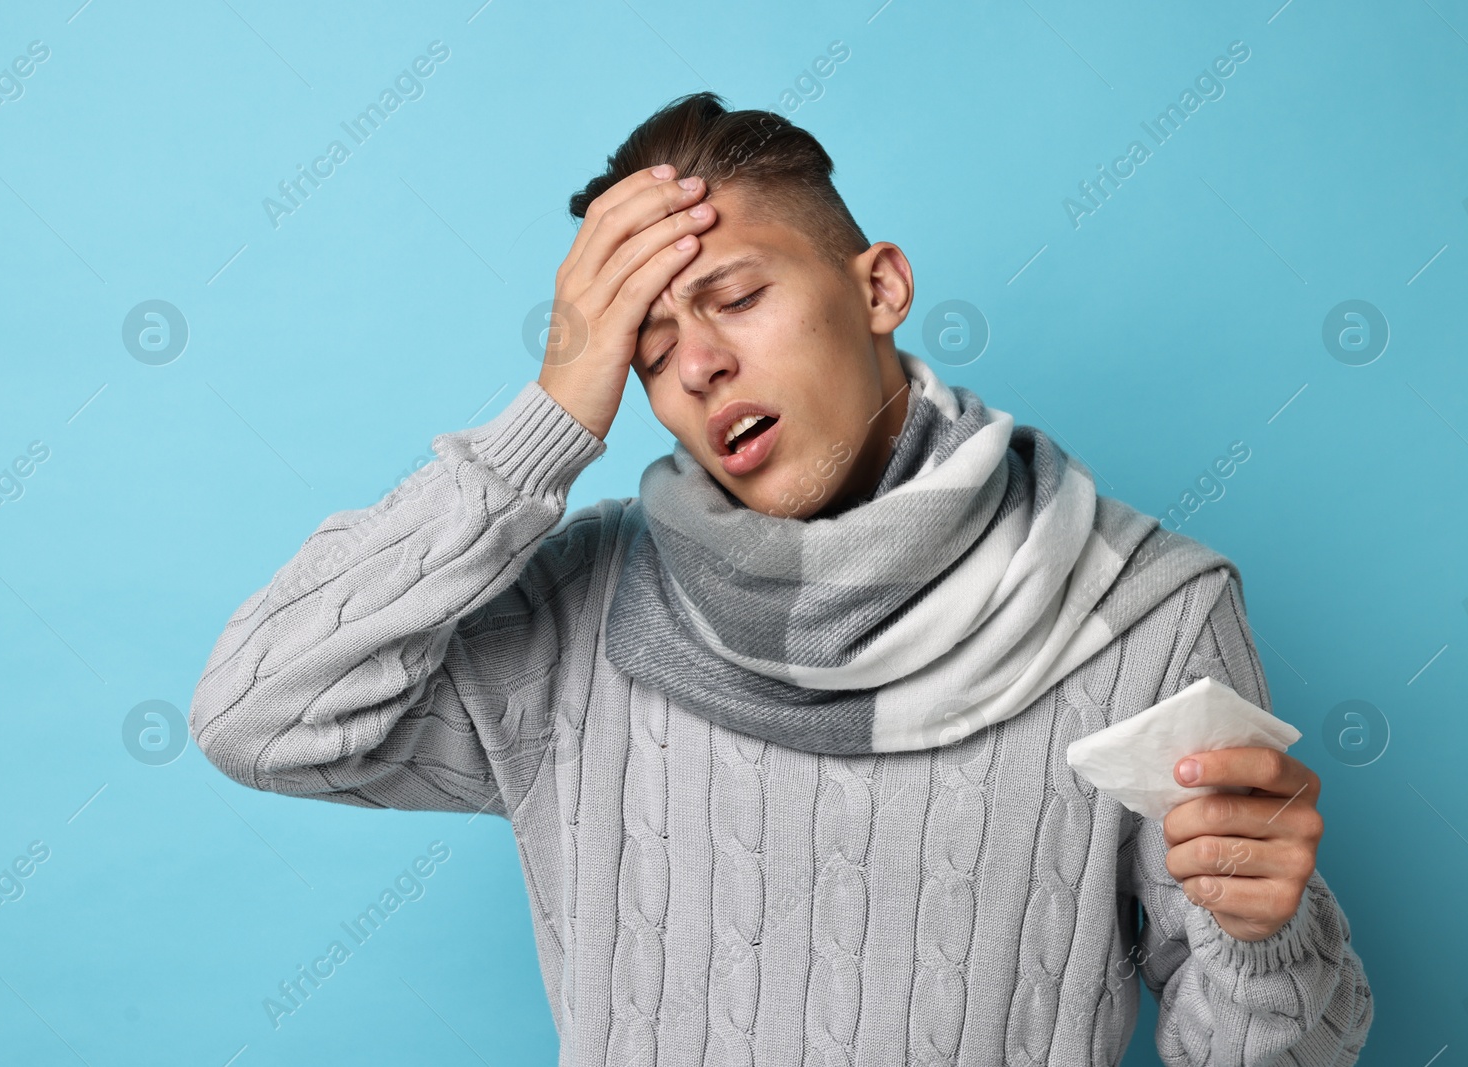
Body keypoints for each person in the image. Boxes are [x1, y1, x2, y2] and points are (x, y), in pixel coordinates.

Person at [189, 91, 1373, 1065]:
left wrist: (1264, 935)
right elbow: (259, 717)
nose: (698, 363)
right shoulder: (583, 609)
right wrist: (542, 424)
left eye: (738, 299)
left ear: (879, 289)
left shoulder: (1145, 615)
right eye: (646, 352)